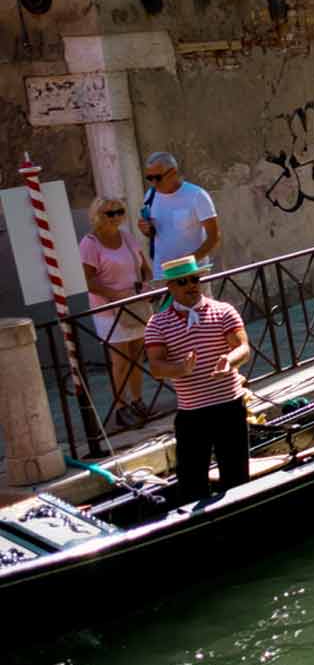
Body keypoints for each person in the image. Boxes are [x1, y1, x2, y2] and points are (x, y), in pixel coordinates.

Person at [144, 255, 251, 502]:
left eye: (194, 279)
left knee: (237, 479)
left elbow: (242, 347)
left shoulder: (223, 311)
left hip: (229, 407)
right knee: (192, 485)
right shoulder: (157, 324)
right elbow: (156, 367)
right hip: (192, 414)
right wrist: (180, 369)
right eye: (182, 282)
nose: (191, 285)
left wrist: (229, 361)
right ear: (169, 287)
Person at [80, 196, 152, 429]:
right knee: (120, 360)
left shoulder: (128, 237)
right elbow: (88, 280)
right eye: (109, 213)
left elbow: (144, 269)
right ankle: (121, 407)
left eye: (119, 212)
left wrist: (146, 285)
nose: (115, 217)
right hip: (109, 310)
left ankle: (138, 400)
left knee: (136, 355)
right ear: (97, 216)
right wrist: (114, 295)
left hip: (135, 304)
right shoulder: (90, 243)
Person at [138, 152, 220, 281]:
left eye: (157, 177)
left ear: (173, 172)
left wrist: (188, 263)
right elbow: (156, 233)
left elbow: (214, 237)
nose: (153, 183)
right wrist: (146, 230)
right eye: (149, 178)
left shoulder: (197, 195)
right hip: (163, 274)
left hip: (193, 274)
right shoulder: (150, 195)